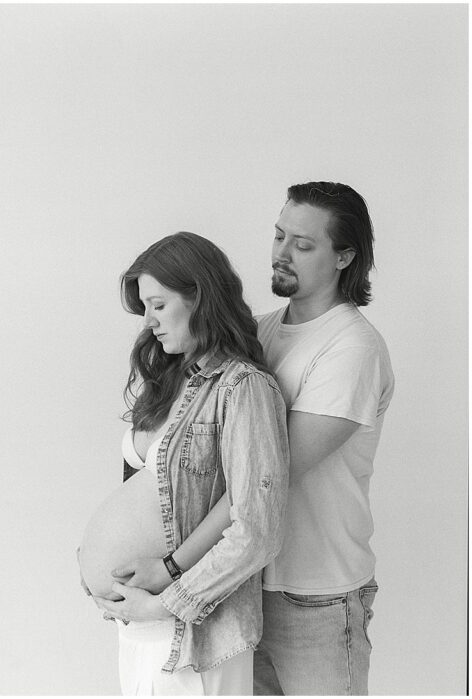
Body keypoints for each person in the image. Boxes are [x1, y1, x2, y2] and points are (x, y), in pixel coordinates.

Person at [80, 232, 290, 695]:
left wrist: (171, 595)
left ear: (199, 296)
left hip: (190, 632)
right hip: (137, 626)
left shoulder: (243, 388)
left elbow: (257, 531)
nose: (149, 321)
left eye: (158, 304)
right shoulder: (169, 381)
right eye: (145, 307)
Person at [252, 182, 394, 695]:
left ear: (344, 257)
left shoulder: (351, 348)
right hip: (244, 590)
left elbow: (268, 473)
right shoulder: (256, 332)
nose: (281, 254)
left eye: (304, 245)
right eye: (278, 235)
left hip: (318, 597)